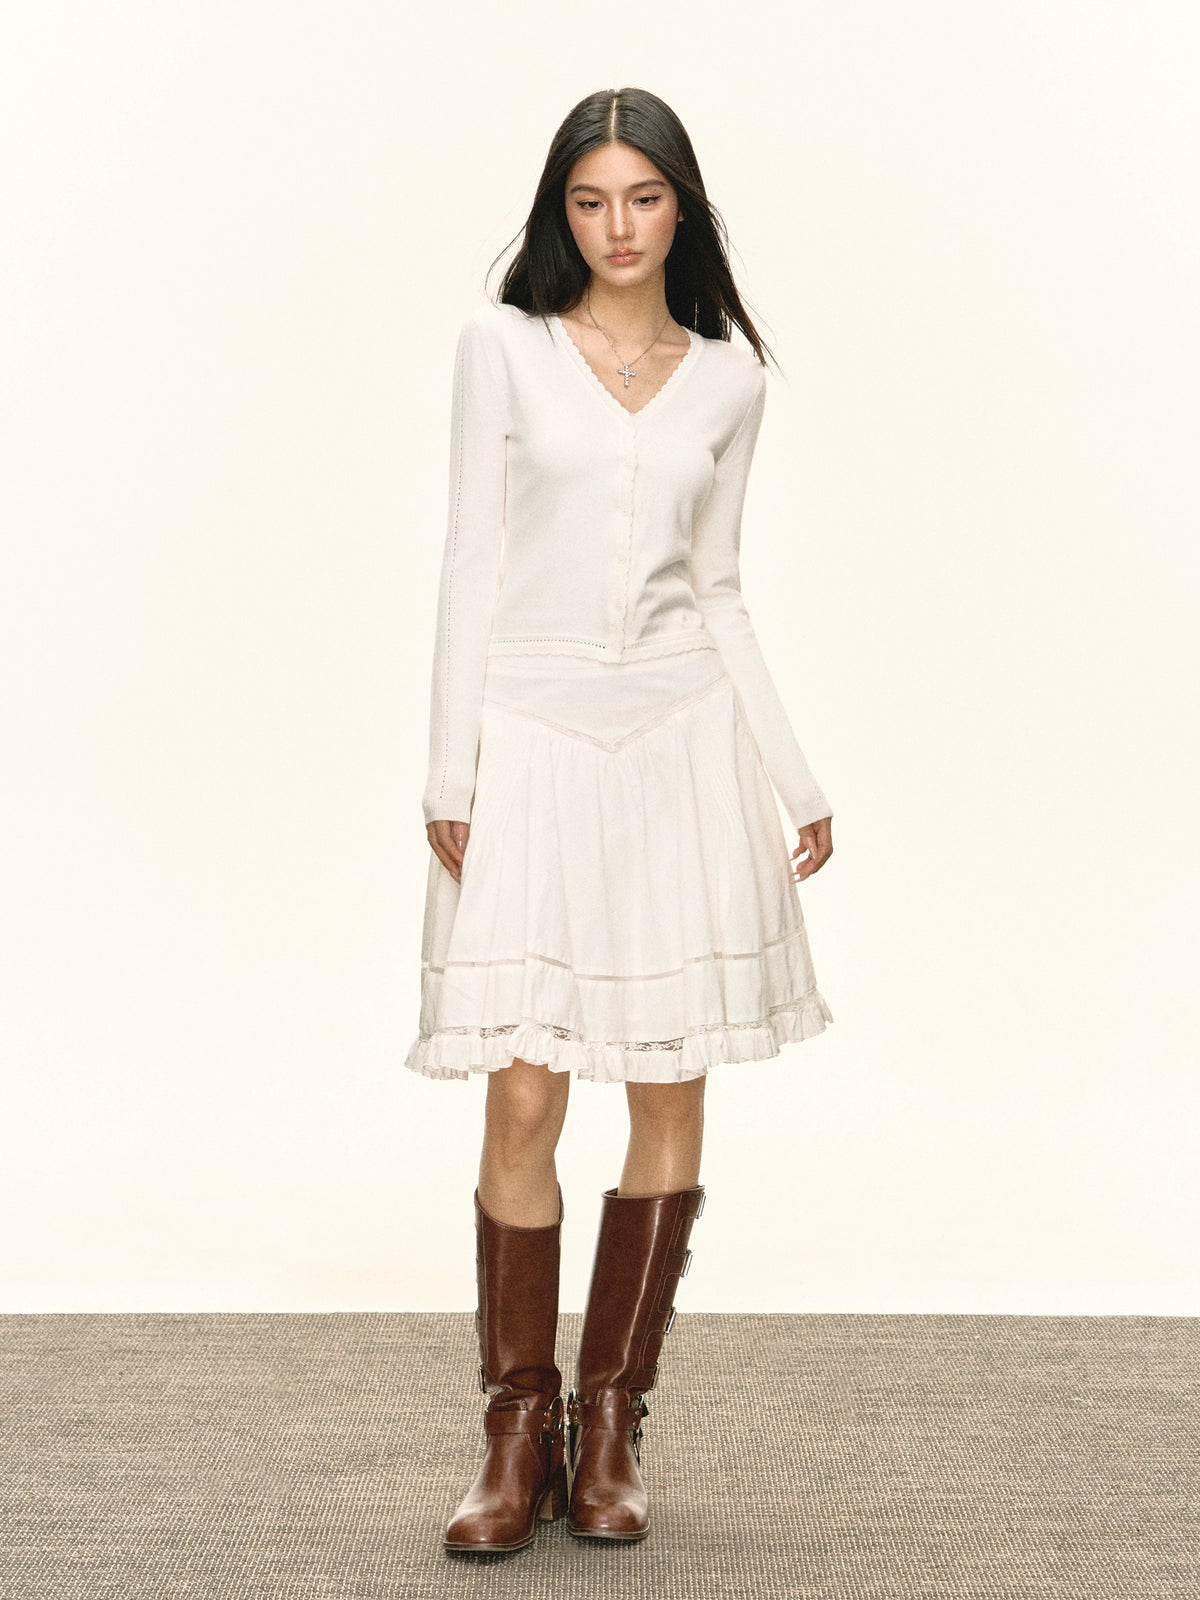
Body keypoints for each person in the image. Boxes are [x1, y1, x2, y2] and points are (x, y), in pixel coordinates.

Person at [404, 86, 835, 1554]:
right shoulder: (503, 347)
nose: (618, 227)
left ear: (681, 208)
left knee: (666, 1084)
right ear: (561, 215)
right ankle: (514, 1427)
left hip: (680, 741)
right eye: (590, 202)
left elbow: (721, 586)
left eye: (643, 199)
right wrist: (450, 770)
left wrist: (793, 775)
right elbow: (469, 556)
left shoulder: (729, 380)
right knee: (524, 1092)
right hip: (528, 737)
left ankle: (610, 1426)